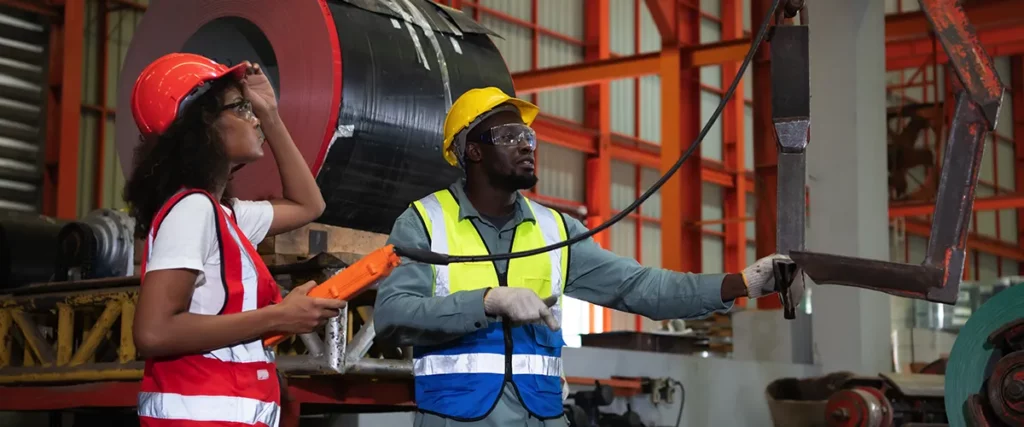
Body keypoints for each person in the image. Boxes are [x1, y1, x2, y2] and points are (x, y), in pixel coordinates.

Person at [372, 87, 806, 427]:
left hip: (542, 419)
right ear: (473, 151)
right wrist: (486, 301)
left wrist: (743, 283)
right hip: (456, 421)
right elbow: (392, 316)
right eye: (509, 136)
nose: (527, 145)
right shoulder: (425, 223)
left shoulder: (556, 230)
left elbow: (641, 288)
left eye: (529, 136)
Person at [123, 52, 346, 427]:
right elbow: (153, 331)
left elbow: (309, 204)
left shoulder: (223, 214)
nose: (254, 118)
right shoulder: (193, 210)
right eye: (241, 108)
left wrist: (272, 116)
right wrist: (279, 315)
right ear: (202, 125)